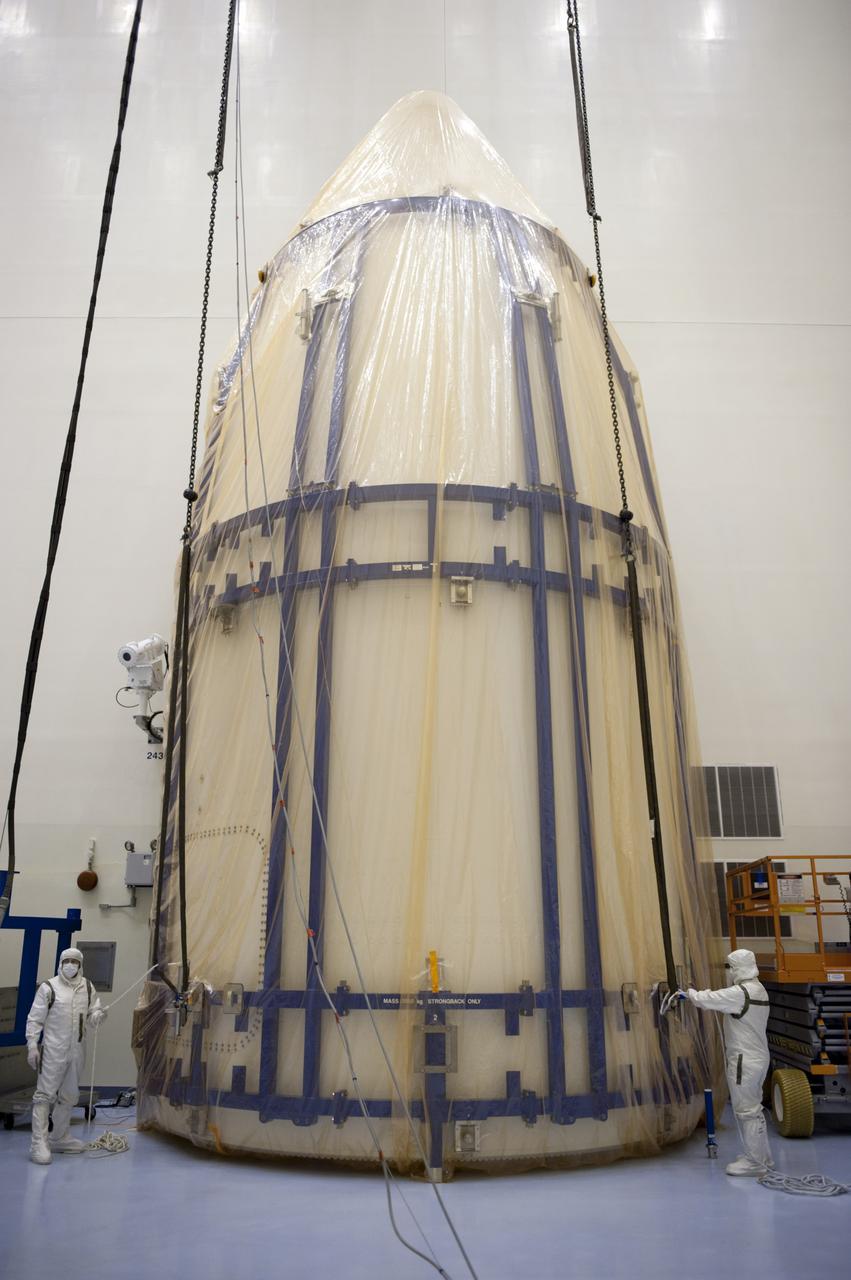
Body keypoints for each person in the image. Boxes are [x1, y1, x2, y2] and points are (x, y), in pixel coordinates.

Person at [684, 948, 773, 1176]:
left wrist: (690, 994)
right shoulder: (759, 989)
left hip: (744, 1059)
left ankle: (754, 1163)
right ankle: (762, 1158)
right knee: (755, 1108)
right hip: (759, 1057)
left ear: (737, 968)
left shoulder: (741, 993)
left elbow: (710, 999)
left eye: (731, 968)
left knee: (746, 1109)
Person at [25, 947, 107, 1164]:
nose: (70, 965)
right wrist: (32, 1045)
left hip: (77, 1050)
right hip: (53, 1050)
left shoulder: (87, 987)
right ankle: (38, 1143)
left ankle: (59, 1137)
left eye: (74, 961)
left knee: (69, 1095)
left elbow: (91, 1016)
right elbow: (35, 1019)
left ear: (80, 965)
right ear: (60, 963)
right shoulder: (49, 987)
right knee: (44, 1095)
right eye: (66, 961)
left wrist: (98, 1016)